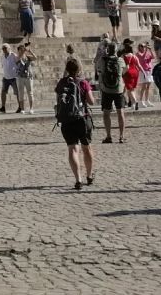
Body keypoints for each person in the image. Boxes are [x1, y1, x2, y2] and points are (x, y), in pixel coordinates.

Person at [53, 57, 97, 189]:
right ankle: (89, 176)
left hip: (67, 120)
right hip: (82, 118)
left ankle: (78, 179)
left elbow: (59, 102)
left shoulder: (61, 83)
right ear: (79, 68)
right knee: (86, 147)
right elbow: (91, 102)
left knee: (72, 149)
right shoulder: (83, 83)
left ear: (67, 69)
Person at [95, 38, 128, 144]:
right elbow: (124, 71)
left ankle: (108, 136)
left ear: (107, 50)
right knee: (120, 112)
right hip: (118, 89)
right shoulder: (120, 60)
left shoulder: (102, 60)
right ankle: (121, 136)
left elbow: (98, 70)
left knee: (106, 113)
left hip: (106, 89)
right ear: (116, 50)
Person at [0, 44, 21, 113]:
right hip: (6, 77)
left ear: (9, 48)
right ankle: (3, 107)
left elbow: (19, 62)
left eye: (5, 48)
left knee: (17, 93)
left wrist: (17, 71)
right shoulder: (2, 56)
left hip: (14, 77)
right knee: (3, 92)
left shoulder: (13, 55)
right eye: (3, 48)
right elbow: (3, 65)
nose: (4, 50)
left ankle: (20, 107)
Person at [121, 39, 142, 111]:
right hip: (136, 72)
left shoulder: (124, 56)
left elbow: (127, 67)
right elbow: (138, 65)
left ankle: (135, 102)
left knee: (129, 90)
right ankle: (133, 105)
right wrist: (143, 72)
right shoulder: (134, 56)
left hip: (128, 73)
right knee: (132, 89)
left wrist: (122, 74)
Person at [15, 43, 35, 113]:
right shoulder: (17, 57)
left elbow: (35, 58)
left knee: (30, 92)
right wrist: (21, 54)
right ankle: (22, 109)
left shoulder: (28, 56)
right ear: (18, 51)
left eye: (23, 49)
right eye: (20, 49)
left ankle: (31, 108)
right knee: (21, 93)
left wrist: (30, 51)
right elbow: (17, 61)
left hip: (28, 76)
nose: (22, 50)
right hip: (20, 77)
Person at [136, 42, 155, 110]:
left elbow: (153, 57)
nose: (144, 47)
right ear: (139, 47)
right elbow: (142, 57)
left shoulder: (147, 53)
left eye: (144, 46)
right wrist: (146, 50)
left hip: (149, 71)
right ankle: (141, 101)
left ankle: (147, 101)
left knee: (148, 87)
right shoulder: (138, 54)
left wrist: (150, 50)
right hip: (143, 71)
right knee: (143, 87)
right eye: (142, 46)